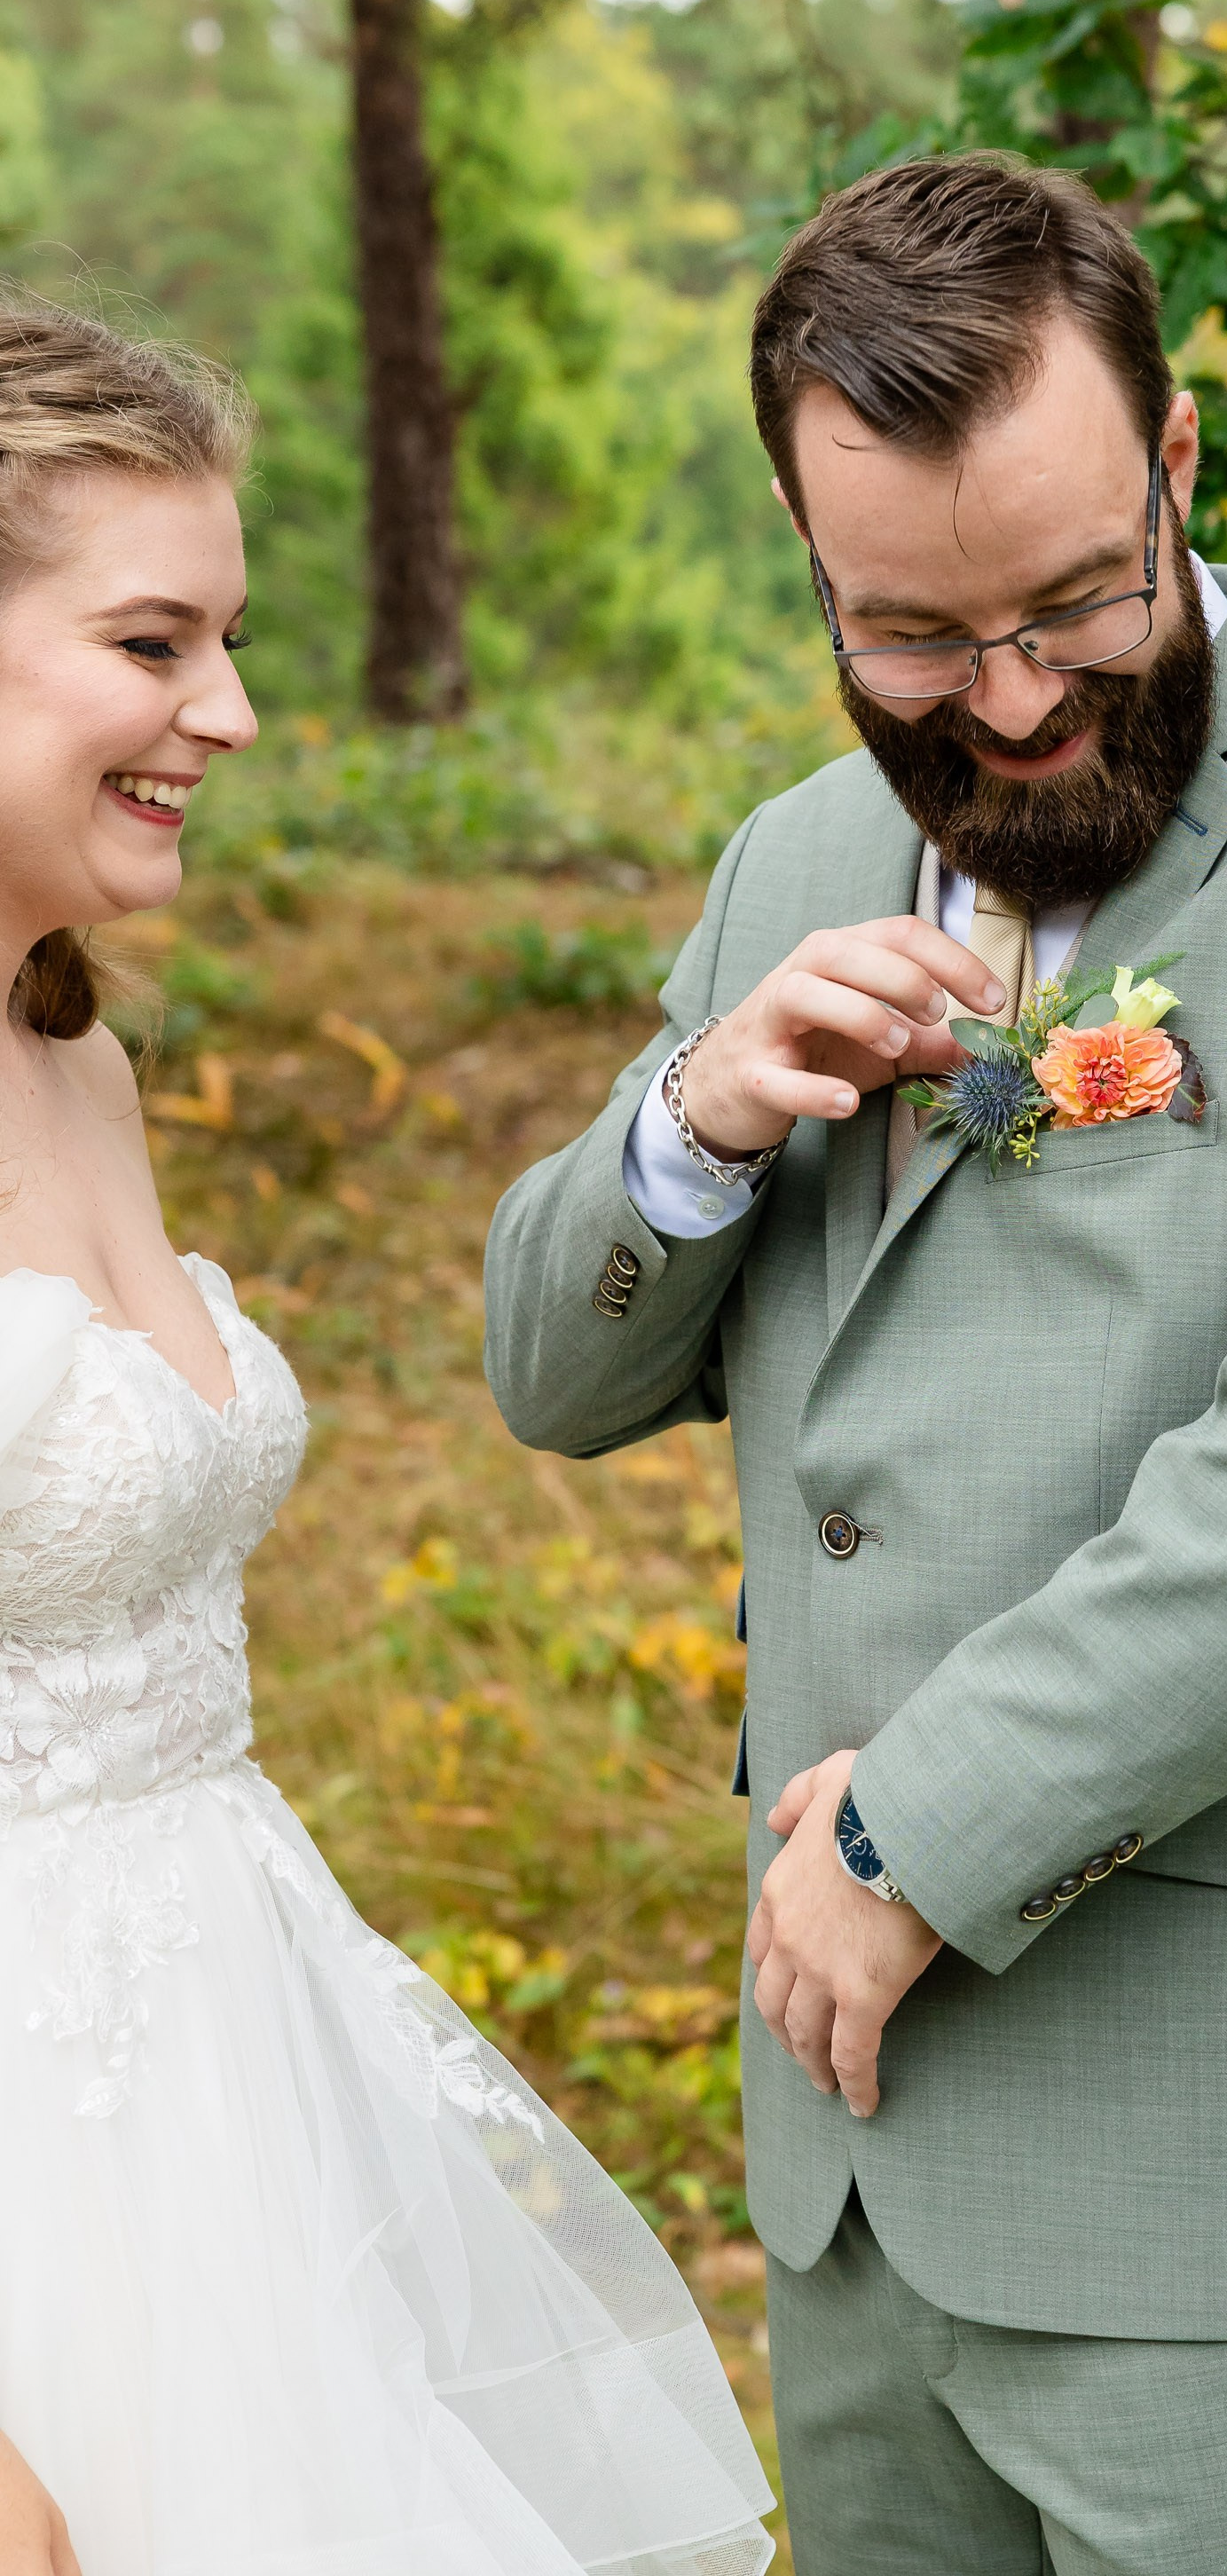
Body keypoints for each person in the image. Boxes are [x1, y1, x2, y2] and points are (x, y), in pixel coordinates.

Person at [484, 154, 1227, 2576]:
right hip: (861, 2192)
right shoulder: (791, 864)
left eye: (1077, 603)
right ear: (812, 559)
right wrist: (690, 1128)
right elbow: (547, 1380)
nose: (1006, 702)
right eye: (909, 637)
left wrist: (906, 1841)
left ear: (1181, 467)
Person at [0, 294, 775, 2576]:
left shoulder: (80, 1060)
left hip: (233, 2092)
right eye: (155, 644)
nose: (226, 715)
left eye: (229, 642)